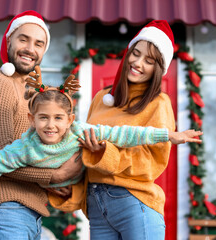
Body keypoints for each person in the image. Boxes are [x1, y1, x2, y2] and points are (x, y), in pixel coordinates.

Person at [0, 68, 202, 198]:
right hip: (53, 189)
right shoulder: (24, 148)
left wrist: (169, 136)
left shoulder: (78, 130)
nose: (51, 125)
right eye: (44, 118)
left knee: (104, 147)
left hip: (86, 182)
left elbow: (125, 133)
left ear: (70, 119)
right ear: (31, 119)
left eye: (59, 118)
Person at [0, 10, 82, 240]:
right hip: (3, 209)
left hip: (27, 212)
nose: (30, 48)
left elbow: (38, 151)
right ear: (9, 40)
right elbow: (0, 156)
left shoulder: (32, 93)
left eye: (39, 43)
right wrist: (55, 176)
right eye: (23, 39)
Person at [59, 20, 186, 240]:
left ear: (158, 68)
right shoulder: (102, 98)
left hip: (134, 202)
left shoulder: (158, 103)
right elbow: (84, 152)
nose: (137, 62)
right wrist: (69, 184)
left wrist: (104, 153)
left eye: (148, 60)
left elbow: (152, 164)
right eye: (135, 53)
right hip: (97, 206)